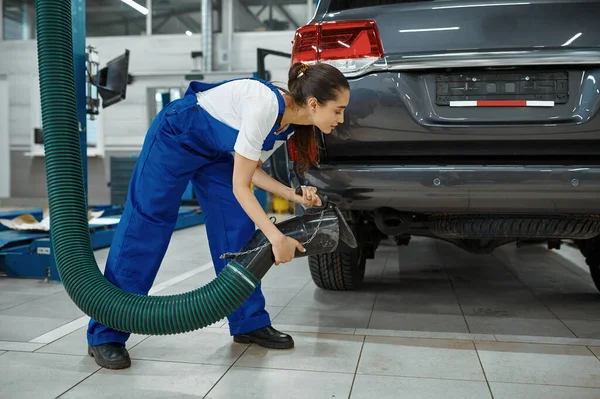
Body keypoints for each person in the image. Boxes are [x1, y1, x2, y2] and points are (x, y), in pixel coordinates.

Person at [85, 62, 350, 369]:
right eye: (339, 110)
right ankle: (106, 334)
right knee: (148, 225)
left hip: (215, 153)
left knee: (235, 227)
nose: (341, 119)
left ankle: (247, 322)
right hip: (177, 134)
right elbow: (241, 185)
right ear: (315, 104)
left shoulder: (288, 125)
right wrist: (275, 237)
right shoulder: (266, 106)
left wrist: (293, 194)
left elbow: (250, 172)